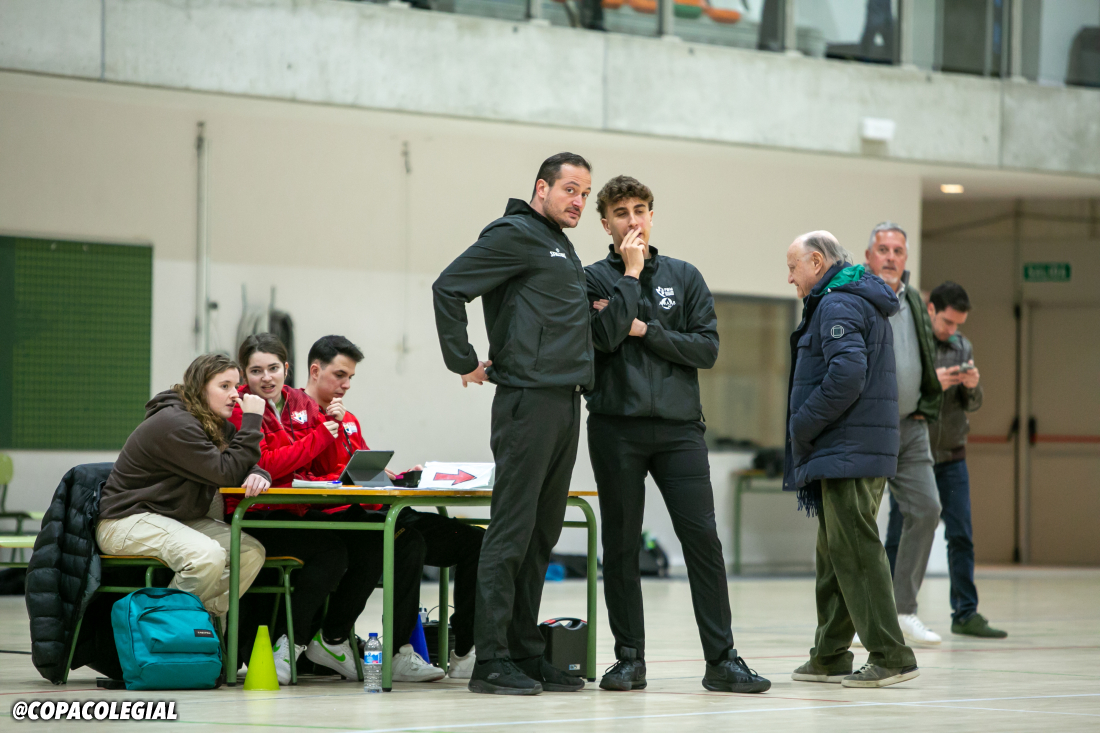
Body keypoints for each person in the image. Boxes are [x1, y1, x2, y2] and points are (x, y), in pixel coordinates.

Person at [585, 175, 769, 694]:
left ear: (652, 215)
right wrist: (630, 275)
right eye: (621, 213)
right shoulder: (591, 279)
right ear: (606, 223)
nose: (633, 221)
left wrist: (645, 330)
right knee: (621, 545)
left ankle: (722, 660)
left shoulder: (685, 276)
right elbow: (602, 338)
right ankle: (629, 660)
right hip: (615, 429)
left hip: (679, 430)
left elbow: (705, 349)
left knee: (703, 541)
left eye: (640, 210)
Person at [432, 152, 594, 695]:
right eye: (570, 189)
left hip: (565, 400)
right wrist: (463, 360)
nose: (578, 201)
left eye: (585, 193)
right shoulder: (515, 234)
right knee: (511, 532)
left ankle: (525, 652)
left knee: (542, 534)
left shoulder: (558, 244)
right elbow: (448, 287)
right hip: (528, 401)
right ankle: (491, 659)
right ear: (541, 188)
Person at [302, 335, 486, 682]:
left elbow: (364, 468)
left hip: (383, 507)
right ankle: (397, 651)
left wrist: (400, 477)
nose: (346, 385)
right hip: (344, 516)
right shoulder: (298, 417)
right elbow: (306, 475)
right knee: (408, 541)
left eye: (350, 377)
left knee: (474, 541)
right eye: (340, 375)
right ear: (315, 371)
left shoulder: (349, 419)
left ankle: (465, 651)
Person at [784, 231, 919, 688]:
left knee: (857, 553)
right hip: (849, 449)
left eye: (793, 268)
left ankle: (891, 655)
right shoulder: (845, 299)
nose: (790, 278)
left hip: (848, 450)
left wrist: (802, 423)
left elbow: (846, 375)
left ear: (816, 262)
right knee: (835, 555)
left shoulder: (838, 303)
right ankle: (829, 654)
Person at [226, 333, 385, 685]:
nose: (266, 378)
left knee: (374, 543)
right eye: (255, 371)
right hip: (255, 516)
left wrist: (338, 430)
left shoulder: (300, 402)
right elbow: (267, 462)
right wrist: (320, 437)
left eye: (272, 368)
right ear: (243, 373)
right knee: (331, 552)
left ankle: (332, 639)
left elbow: (319, 464)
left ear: (286, 368)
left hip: (295, 510)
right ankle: (289, 645)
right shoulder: (240, 408)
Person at [96, 353, 268, 618]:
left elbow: (240, 461)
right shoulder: (175, 423)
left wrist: (259, 474)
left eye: (236, 386)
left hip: (171, 518)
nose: (235, 395)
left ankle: (202, 621)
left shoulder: (213, 424)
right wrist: (253, 421)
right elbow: (225, 472)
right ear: (199, 388)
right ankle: (161, 628)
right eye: (224, 386)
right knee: (206, 556)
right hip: (125, 521)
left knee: (249, 552)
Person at [885, 282, 1007, 639]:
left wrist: (971, 385)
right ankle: (888, 613)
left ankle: (966, 613)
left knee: (961, 535)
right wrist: (931, 383)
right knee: (898, 533)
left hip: (952, 454)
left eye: (958, 324)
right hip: (913, 454)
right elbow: (901, 394)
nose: (952, 330)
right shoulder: (912, 342)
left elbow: (973, 403)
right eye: (948, 322)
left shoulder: (961, 346)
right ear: (931, 311)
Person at [863, 222, 945, 647]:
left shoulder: (913, 299)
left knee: (927, 509)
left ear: (906, 258)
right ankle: (858, 617)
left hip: (911, 426)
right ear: (868, 256)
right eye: (883, 249)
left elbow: (924, 355)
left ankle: (903, 610)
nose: (891, 257)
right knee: (859, 523)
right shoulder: (855, 296)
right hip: (868, 427)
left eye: (897, 250)